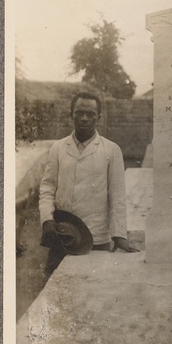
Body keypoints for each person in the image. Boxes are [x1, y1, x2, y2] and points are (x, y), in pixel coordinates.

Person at [39, 90, 136, 275]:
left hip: (96, 238)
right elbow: (47, 187)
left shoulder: (111, 150)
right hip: (62, 234)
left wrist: (119, 235)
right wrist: (47, 220)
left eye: (90, 114)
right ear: (71, 115)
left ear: (98, 117)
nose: (84, 118)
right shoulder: (58, 148)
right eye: (79, 113)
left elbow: (117, 195)